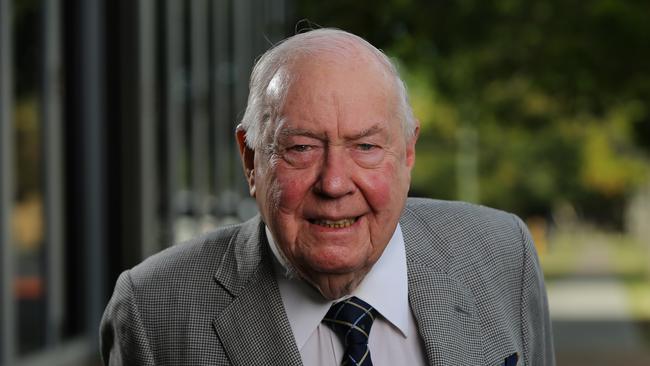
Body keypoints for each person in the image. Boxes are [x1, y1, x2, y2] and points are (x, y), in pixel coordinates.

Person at [100, 28, 554, 366]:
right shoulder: (152, 310)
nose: (335, 183)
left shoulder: (500, 253)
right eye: (301, 148)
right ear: (250, 158)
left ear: (408, 151)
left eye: (366, 147)